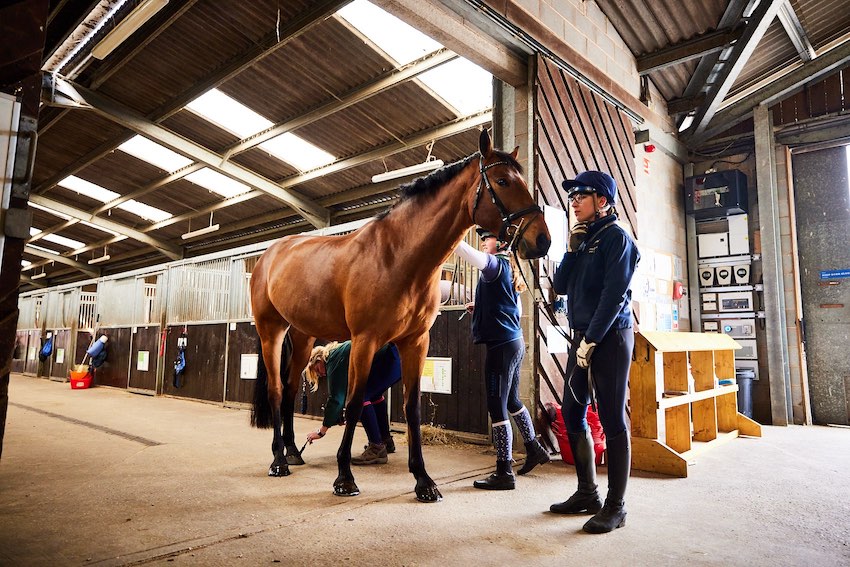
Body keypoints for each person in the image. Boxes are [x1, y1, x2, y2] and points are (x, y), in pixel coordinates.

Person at [551, 171, 640, 534]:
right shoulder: (585, 239)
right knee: (573, 411)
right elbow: (559, 286)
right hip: (582, 337)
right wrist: (571, 251)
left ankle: (616, 507)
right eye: (571, 197)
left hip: (610, 339)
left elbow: (614, 295)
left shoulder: (618, 239)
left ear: (602, 201)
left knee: (612, 419)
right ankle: (587, 492)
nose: (573, 202)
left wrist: (592, 340)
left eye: (581, 196)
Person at [454, 228, 550, 490]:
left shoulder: (495, 264)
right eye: (483, 239)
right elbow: (514, 309)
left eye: (488, 239)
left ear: (503, 243)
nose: (484, 243)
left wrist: (450, 234)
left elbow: (463, 250)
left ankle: (504, 470)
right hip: (513, 341)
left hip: (501, 346)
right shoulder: (509, 269)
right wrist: (482, 307)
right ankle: (533, 447)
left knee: (496, 406)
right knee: (511, 400)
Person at [304, 341, 399, 465]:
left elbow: (336, 399)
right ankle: (386, 441)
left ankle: (376, 448)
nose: (322, 374)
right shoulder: (340, 352)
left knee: (360, 398)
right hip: (396, 358)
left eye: (317, 370)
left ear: (318, 360)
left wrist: (321, 431)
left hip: (389, 361)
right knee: (374, 396)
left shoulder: (333, 359)